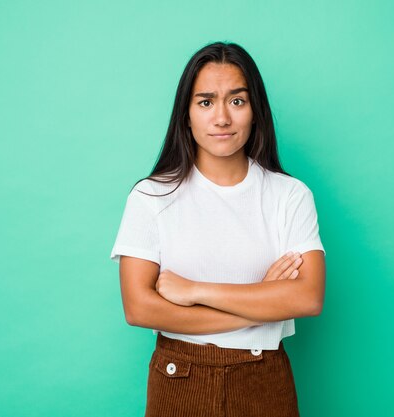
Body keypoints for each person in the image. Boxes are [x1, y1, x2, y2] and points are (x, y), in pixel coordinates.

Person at [109, 41, 325, 417]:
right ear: (186, 115)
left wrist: (194, 290)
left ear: (255, 111)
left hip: (264, 378)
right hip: (179, 378)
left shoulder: (289, 195)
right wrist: (262, 303)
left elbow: (307, 298)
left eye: (237, 101)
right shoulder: (151, 196)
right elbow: (139, 307)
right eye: (206, 102)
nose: (222, 118)